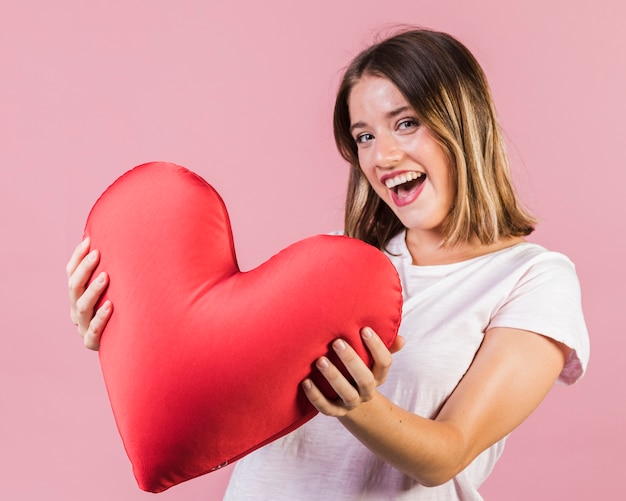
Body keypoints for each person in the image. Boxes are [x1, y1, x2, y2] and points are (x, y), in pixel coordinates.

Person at [67, 28, 589, 500]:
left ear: (464, 124)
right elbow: (217, 373)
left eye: (405, 123)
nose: (382, 157)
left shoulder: (533, 278)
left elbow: (448, 455)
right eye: (364, 136)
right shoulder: (341, 265)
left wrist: (357, 403)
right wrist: (130, 330)